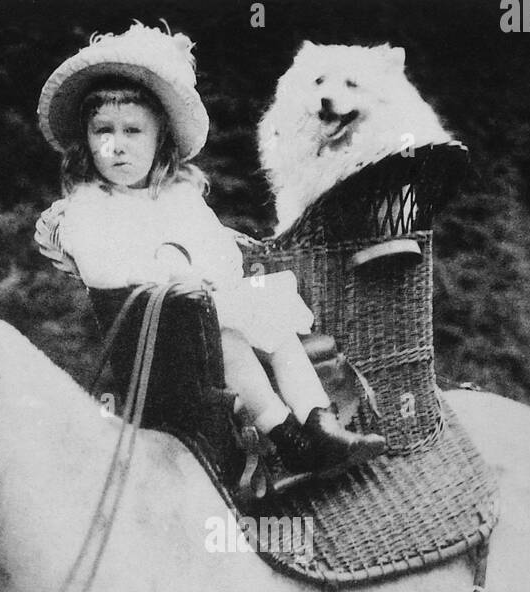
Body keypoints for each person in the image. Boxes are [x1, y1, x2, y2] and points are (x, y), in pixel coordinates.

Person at [34, 19, 387, 474]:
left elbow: (221, 252)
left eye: (132, 132)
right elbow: (102, 270)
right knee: (228, 339)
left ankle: (319, 422)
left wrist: (214, 278)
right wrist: (172, 277)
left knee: (271, 320)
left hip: (206, 303)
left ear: (160, 138)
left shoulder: (178, 195)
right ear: (86, 139)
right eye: (103, 131)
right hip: (159, 338)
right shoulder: (86, 207)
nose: (116, 147)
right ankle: (287, 436)